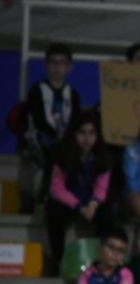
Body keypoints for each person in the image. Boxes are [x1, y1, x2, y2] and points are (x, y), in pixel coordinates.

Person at [46, 111, 114, 271]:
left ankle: (102, 261)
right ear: (73, 134)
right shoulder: (62, 155)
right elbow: (57, 189)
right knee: (54, 213)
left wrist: (93, 204)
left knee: (107, 215)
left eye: (92, 133)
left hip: (91, 203)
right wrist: (78, 206)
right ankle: (58, 260)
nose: (87, 138)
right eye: (82, 132)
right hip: (69, 202)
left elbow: (102, 187)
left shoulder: (104, 157)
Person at [21, 43, 80, 211]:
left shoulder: (73, 93)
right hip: (42, 141)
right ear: (46, 65)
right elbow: (37, 119)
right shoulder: (37, 90)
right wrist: (55, 135)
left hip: (65, 141)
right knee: (53, 156)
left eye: (61, 63)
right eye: (53, 62)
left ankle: (70, 200)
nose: (57, 67)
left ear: (69, 67)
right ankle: (43, 199)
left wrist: (66, 136)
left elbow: (76, 120)